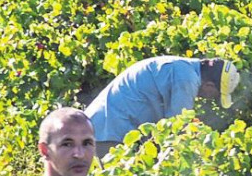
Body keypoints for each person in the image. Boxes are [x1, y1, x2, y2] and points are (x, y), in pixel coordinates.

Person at [85, 56, 239, 157]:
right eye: (216, 95)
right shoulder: (187, 79)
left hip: (103, 127)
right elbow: (176, 129)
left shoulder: (184, 68)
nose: (210, 99)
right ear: (210, 85)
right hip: (108, 132)